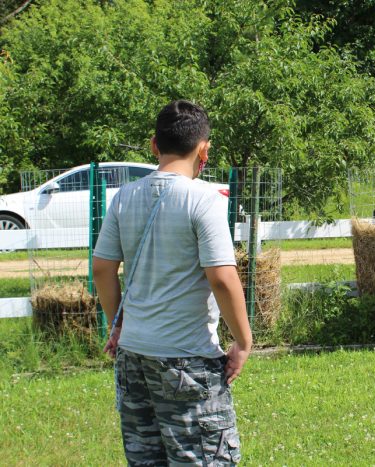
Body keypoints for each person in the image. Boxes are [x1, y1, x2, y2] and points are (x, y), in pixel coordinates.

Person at [93, 99, 253, 465]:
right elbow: (223, 279)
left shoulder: (124, 197)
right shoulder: (203, 200)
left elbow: (102, 268)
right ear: (204, 149)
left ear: (154, 145)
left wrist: (116, 322)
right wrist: (243, 341)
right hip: (187, 359)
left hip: (134, 356)